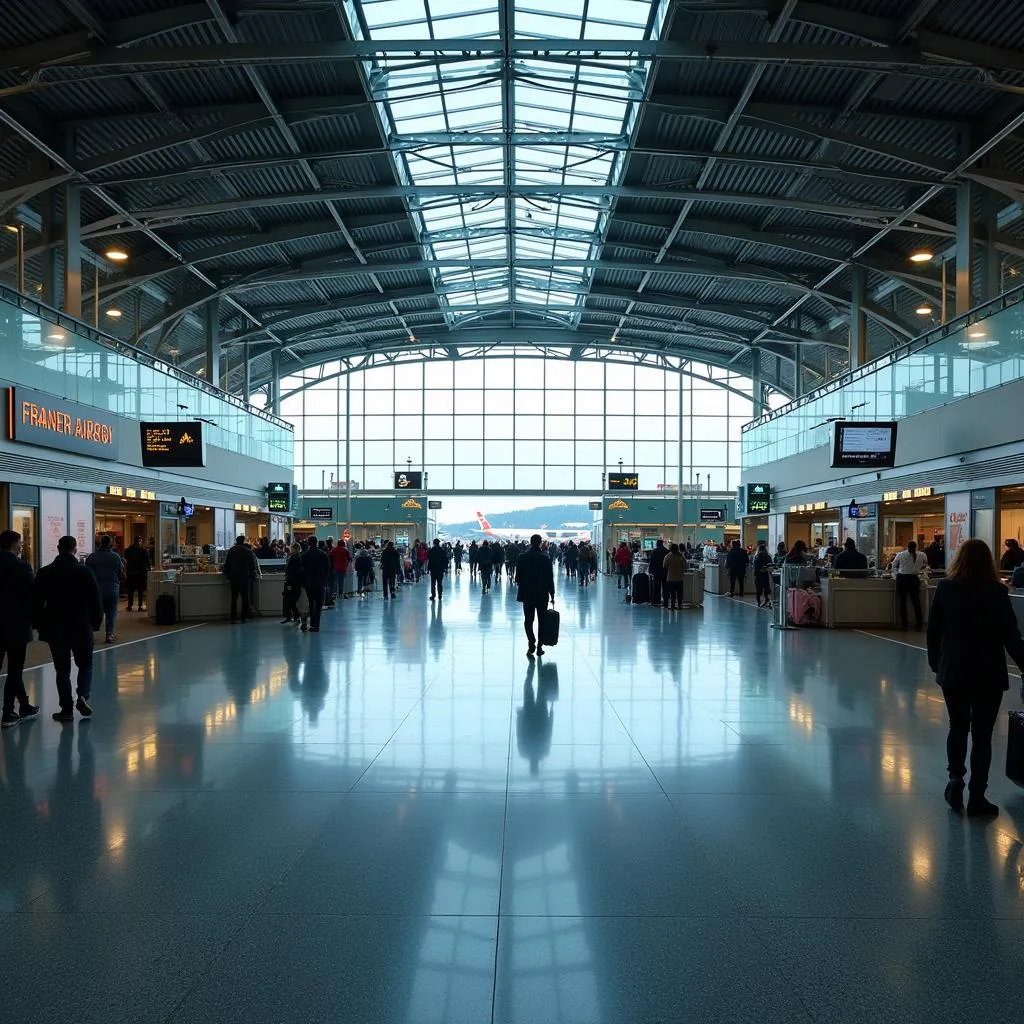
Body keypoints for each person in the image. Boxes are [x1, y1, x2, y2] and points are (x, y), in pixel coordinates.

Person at [928, 539, 1024, 817]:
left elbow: (934, 631)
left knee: (957, 727)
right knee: (982, 736)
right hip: (988, 674)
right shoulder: (996, 592)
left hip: (954, 671)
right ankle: (978, 796)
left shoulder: (946, 588)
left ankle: (955, 778)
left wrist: (937, 664)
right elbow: (1011, 636)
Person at [32, 536, 103, 721]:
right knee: (85, 664)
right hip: (81, 626)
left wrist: (39, 625)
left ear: (58, 548)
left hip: (55, 629)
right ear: (75, 549)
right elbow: (96, 601)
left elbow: (37, 603)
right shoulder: (84, 572)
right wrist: (95, 623)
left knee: (62, 670)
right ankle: (83, 696)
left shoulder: (45, 572)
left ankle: (66, 709)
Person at [0, 531, 39, 728]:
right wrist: (35, 621)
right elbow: (31, 598)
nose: (21, 546)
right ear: (14, 544)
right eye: (20, 543)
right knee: (15, 670)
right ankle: (8, 713)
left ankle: (24, 705)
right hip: (16, 625)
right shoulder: (21, 567)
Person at [516, 534, 556, 658]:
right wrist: (552, 594)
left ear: (530, 542)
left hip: (527, 593)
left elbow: (518, 578)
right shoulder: (545, 558)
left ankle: (531, 643)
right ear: (539, 543)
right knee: (542, 620)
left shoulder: (522, 557)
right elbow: (550, 578)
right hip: (542, 593)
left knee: (528, 620)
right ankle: (540, 645)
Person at [86, 535, 125, 643]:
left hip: (96, 589)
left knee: (93, 612)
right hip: (112, 588)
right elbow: (120, 573)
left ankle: (90, 634)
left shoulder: (92, 557)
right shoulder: (116, 557)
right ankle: (109, 634)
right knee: (111, 612)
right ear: (110, 544)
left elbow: (87, 574)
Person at [892, 540, 928, 630]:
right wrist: (918, 569)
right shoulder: (922, 555)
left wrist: (897, 575)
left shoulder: (900, 554)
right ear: (916, 547)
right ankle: (919, 624)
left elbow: (894, 566)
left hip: (902, 579)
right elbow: (925, 564)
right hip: (914, 579)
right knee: (916, 603)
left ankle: (904, 625)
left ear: (907, 547)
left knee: (903, 602)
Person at [223, 535, 260, 623]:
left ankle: (233, 617)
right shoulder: (248, 551)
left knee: (234, 597)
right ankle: (244, 617)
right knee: (245, 598)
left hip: (234, 576)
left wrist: (228, 574)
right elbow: (252, 565)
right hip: (245, 577)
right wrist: (252, 574)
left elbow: (227, 564)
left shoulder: (231, 550)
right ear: (243, 541)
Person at [301, 536, 331, 632]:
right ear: (316, 542)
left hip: (309, 583)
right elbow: (328, 568)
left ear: (308, 543)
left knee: (310, 603)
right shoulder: (323, 554)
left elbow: (302, 570)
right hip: (320, 583)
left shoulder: (305, 555)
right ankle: (316, 625)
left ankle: (311, 623)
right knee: (318, 605)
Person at [123, 535, 151, 612]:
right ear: (140, 541)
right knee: (140, 591)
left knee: (131, 591)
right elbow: (147, 561)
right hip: (141, 573)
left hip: (131, 573)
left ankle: (130, 606)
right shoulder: (143, 550)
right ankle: (140, 606)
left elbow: (125, 558)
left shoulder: (128, 549)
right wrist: (149, 569)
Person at [282, 542, 305, 626]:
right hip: (294, 582)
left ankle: (294, 616)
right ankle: (293, 616)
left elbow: (291, 571)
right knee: (290, 600)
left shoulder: (295, 558)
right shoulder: (297, 558)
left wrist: (288, 582)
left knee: (291, 600)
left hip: (293, 582)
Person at [663, 542, 686, 609]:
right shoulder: (681, 556)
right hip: (679, 577)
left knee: (672, 593)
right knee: (679, 593)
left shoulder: (667, 556)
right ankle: (680, 605)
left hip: (670, 577)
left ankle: (672, 606)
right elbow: (685, 566)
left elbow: (664, 565)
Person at [752, 540, 774, 608]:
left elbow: (754, 565)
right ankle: (767, 600)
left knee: (758, 590)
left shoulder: (756, 556)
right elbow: (770, 565)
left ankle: (759, 602)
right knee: (766, 589)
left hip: (758, 575)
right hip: (765, 575)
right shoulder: (768, 556)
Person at [649, 539, 668, 605]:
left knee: (656, 587)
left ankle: (656, 601)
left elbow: (651, 562)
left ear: (657, 544)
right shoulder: (666, 551)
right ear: (662, 543)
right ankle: (666, 602)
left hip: (656, 572)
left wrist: (650, 571)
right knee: (665, 587)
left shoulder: (654, 551)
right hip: (665, 571)